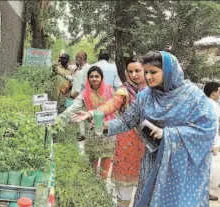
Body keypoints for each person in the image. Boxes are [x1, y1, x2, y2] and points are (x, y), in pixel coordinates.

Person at [89, 51, 216, 206]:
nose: (148, 77)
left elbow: (207, 128)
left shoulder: (192, 96)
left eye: (153, 72)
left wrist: (168, 134)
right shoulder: (146, 96)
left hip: (182, 164)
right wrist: (104, 126)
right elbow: (126, 121)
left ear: (168, 72)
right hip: (152, 161)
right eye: (147, 72)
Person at [73, 59, 146, 207]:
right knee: (124, 188)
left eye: (137, 71)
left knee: (147, 187)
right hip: (127, 143)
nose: (134, 75)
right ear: (125, 73)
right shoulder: (123, 91)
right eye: (130, 71)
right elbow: (111, 105)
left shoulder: (154, 91)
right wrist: (93, 113)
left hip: (150, 144)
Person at [57, 66, 116, 179]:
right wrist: (59, 119)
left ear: (102, 77)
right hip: (92, 129)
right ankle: (92, 183)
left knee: (106, 157)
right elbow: (73, 107)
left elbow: (115, 107)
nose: (94, 79)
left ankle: (102, 184)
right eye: (91, 76)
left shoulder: (110, 90)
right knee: (92, 158)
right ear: (88, 78)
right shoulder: (85, 93)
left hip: (108, 130)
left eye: (97, 76)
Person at [203, 81, 220, 201]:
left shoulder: (203, 103)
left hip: (205, 141)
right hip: (210, 142)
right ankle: (205, 193)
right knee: (210, 168)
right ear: (213, 93)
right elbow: (212, 126)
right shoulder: (212, 105)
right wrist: (214, 145)